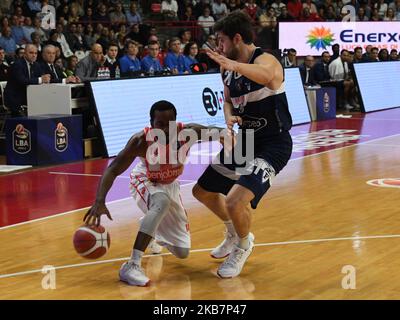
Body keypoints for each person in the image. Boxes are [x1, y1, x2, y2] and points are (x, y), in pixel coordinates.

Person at [192, 11, 293, 279]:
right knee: (202, 191)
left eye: (222, 41)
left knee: (236, 200)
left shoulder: (266, 60)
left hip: (274, 144)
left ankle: (243, 244)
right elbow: (226, 99)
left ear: (237, 38)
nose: (220, 47)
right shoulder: (227, 68)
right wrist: (228, 118)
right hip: (246, 141)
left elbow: (266, 76)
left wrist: (232, 64)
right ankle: (232, 230)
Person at [83, 100, 226, 286]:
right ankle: (132, 265)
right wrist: (99, 201)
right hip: (146, 179)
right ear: (151, 124)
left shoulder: (188, 133)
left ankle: (150, 226)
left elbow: (220, 132)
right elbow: (113, 169)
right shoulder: (140, 141)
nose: (166, 129)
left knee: (182, 251)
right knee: (162, 202)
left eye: (170, 124)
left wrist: (231, 137)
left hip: (170, 185)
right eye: (160, 124)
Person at [4, 44, 51, 117]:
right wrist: (41, 79)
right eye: (31, 53)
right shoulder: (17, 64)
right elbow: (22, 81)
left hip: (29, 96)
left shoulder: (36, 65)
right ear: (25, 54)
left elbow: (43, 77)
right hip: (15, 97)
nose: (34, 55)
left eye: (35, 53)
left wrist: (46, 78)